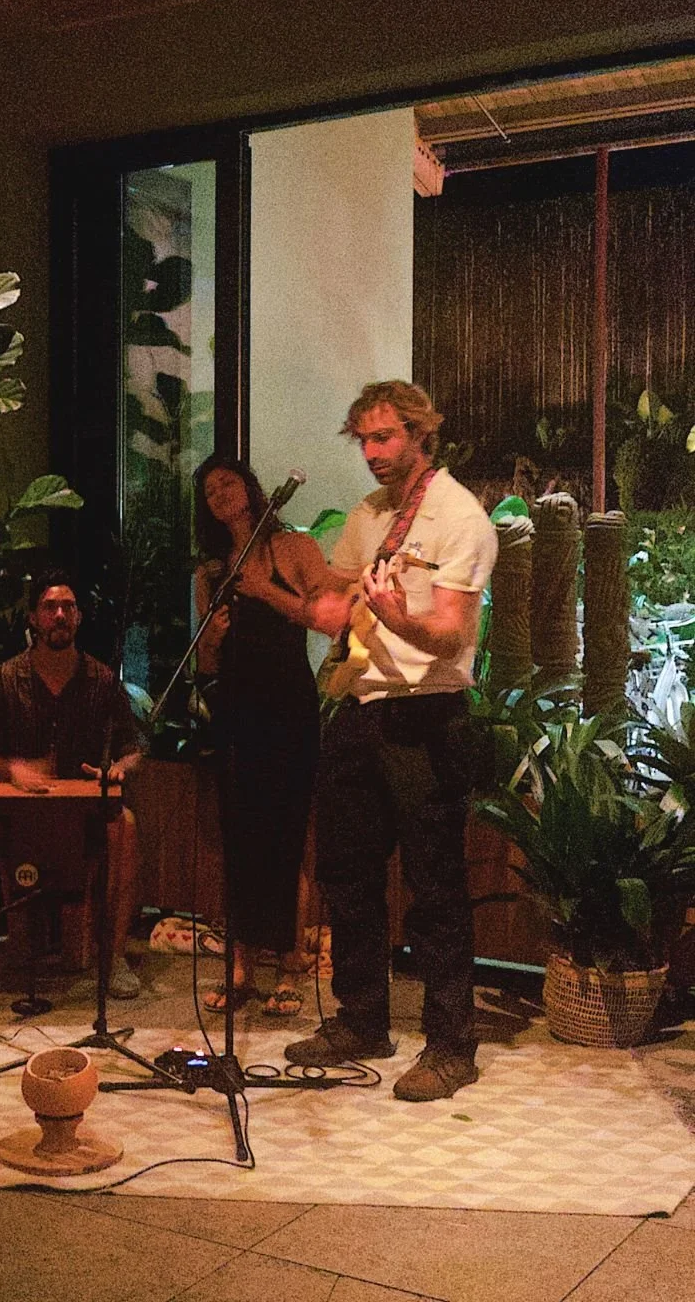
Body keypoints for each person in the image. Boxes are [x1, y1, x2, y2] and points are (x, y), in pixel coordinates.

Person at [285, 381, 497, 1101]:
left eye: (385, 437)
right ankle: (362, 1020)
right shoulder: (369, 515)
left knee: (435, 885)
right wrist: (275, 585)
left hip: (426, 715)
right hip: (360, 707)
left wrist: (395, 616)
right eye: (365, 440)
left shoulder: (458, 516)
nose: (372, 453)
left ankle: (451, 1045)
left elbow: (451, 635)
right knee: (347, 873)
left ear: (420, 434)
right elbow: (334, 607)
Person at [0, 568, 143, 999]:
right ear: (33, 618)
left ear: (79, 618)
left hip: (83, 814)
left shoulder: (102, 680)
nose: (59, 615)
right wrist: (13, 769)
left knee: (126, 826)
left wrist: (117, 768)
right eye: (49, 607)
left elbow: (134, 748)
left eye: (68, 607)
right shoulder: (3, 679)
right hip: (20, 812)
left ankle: (115, 959)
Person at [193, 456, 332, 1017]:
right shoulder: (209, 574)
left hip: (289, 710)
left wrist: (265, 593)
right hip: (237, 713)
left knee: (286, 838)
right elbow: (205, 664)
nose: (220, 494)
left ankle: (290, 963)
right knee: (240, 841)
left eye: (227, 483)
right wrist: (211, 638)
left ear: (250, 488)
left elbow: (326, 616)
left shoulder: (295, 549)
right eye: (209, 491)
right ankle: (241, 966)